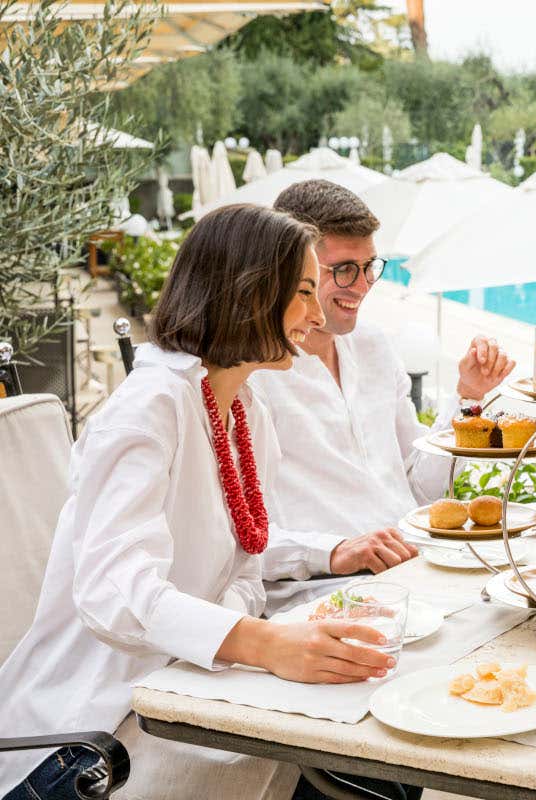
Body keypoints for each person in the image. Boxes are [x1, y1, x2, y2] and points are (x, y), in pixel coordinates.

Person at [0, 205, 403, 800]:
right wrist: (263, 644)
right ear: (247, 295)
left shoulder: (245, 414)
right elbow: (114, 596)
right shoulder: (147, 411)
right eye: (302, 293)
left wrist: (255, 638)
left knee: (370, 758)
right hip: (88, 744)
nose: (317, 316)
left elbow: (245, 565)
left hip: (189, 695)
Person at [250, 180, 513, 608]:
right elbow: (238, 538)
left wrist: (468, 397)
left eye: (370, 265)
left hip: (419, 567)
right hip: (321, 591)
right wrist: (334, 551)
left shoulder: (373, 345)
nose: (363, 285)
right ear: (288, 268)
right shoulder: (252, 374)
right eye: (343, 269)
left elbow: (421, 490)